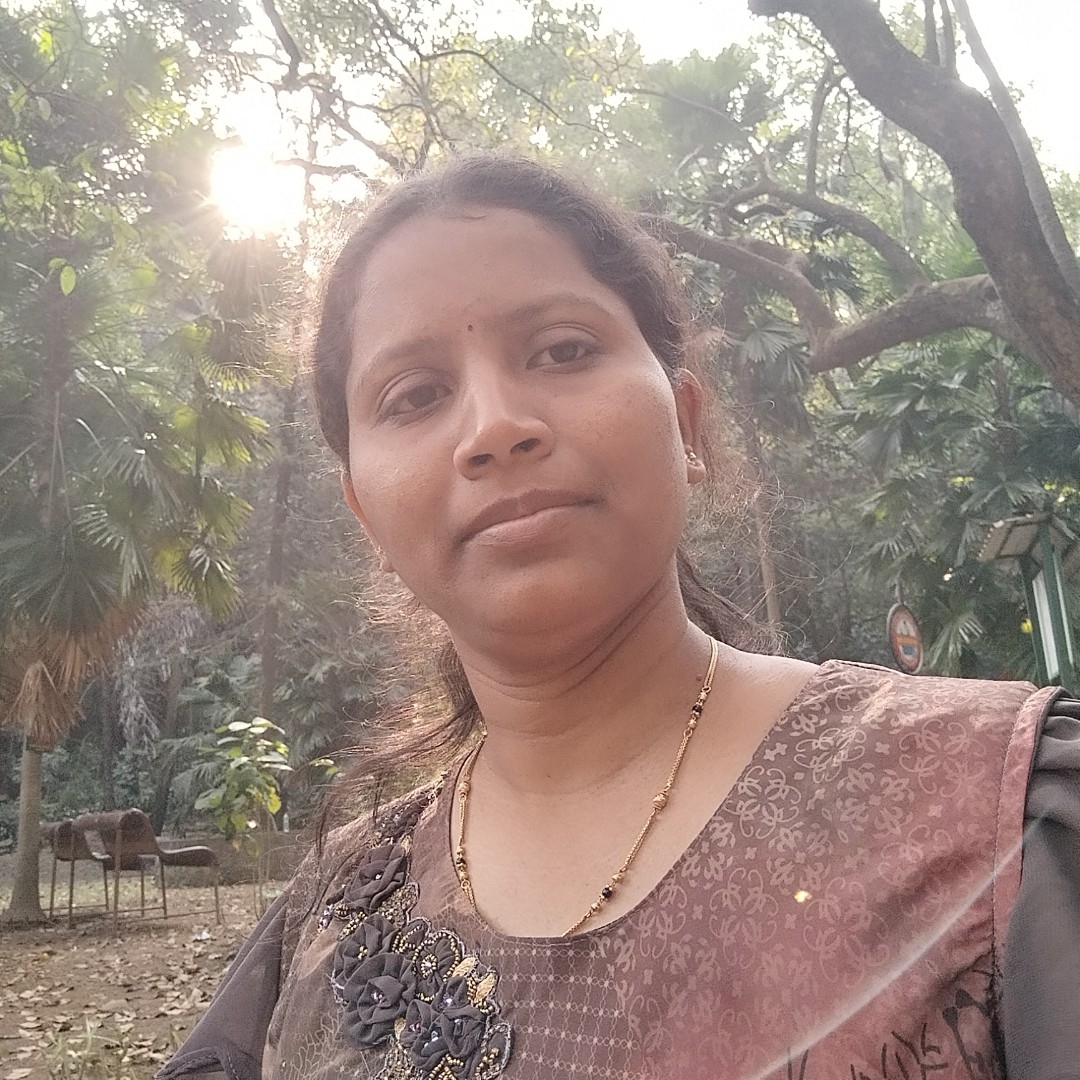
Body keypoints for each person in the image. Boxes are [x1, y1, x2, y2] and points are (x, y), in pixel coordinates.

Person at [159, 154, 1080, 1080]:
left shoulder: (993, 812)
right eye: (416, 396)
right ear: (367, 515)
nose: (495, 427)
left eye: (562, 350)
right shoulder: (329, 915)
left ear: (687, 423)